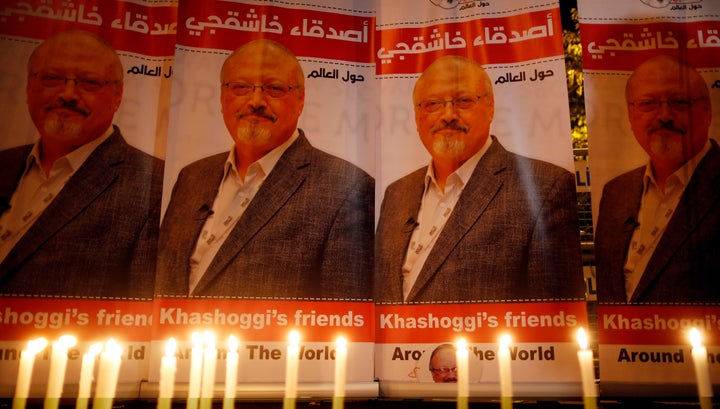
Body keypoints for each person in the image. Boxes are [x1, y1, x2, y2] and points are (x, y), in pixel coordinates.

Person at [156, 39, 374, 299]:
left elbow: (343, 316)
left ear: (301, 99)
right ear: (223, 97)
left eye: (274, 89)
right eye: (241, 87)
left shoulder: (346, 188)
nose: (256, 101)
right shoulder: (192, 176)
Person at [375, 55, 585, 303]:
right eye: (432, 104)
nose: (448, 115)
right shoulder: (397, 192)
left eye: (464, 101)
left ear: (491, 107)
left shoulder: (544, 188)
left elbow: (555, 316)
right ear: (417, 116)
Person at [0, 30, 163, 298]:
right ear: (30, 87)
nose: (68, 94)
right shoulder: (4, 164)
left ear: (118, 95)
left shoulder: (154, 182)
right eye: (52, 78)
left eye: (88, 82)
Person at [595, 55, 720, 304]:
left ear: (708, 111)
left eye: (679, 102)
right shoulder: (615, 192)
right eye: (648, 104)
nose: (664, 116)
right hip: (623, 341)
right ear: (631, 116)